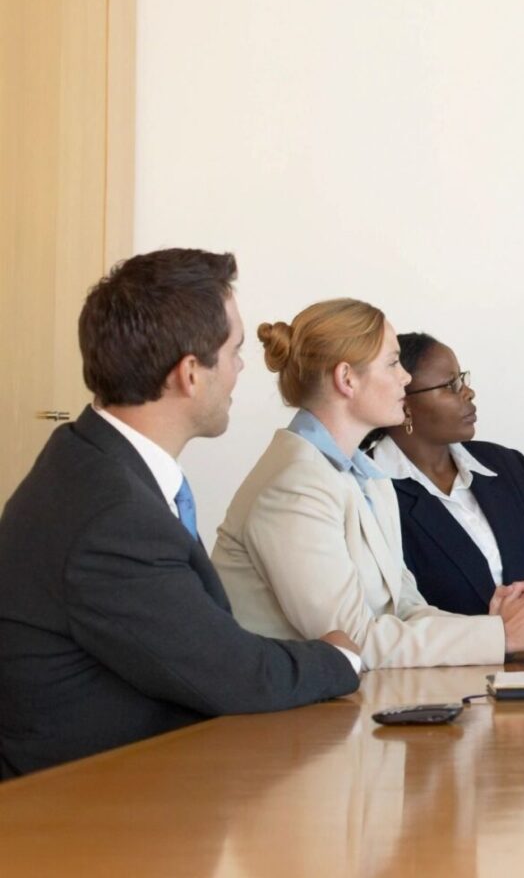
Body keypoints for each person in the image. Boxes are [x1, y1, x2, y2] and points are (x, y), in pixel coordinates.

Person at [0, 249, 360, 779]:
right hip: (82, 818)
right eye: (235, 351)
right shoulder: (109, 516)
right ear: (191, 373)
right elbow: (233, 675)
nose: (241, 369)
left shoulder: (92, 460)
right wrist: (340, 656)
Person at [213, 299, 524, 668]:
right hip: (286, 721)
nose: (405, 377)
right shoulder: (293, 487)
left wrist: (500, 628)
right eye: (392, 363)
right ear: (347, 379)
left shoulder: (364, 477)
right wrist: (499, 635)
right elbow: (350, 644)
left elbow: (407, 608)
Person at [363, 332, 524, 621]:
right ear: (404, 401)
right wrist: (501, 633)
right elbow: (393, 617)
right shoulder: (367, 486)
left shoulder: (506, 466)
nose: (468, 393)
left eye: (463, 380)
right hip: (445, 663)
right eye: (451, 385)